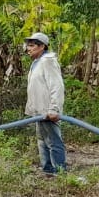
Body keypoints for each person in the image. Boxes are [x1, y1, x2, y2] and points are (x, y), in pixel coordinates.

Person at [24, 32, 67, 176]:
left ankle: (59, 172)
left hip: (48, 110)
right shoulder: (37, 62)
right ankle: (48, 170)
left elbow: (57, 86)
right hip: (39, 111)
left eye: (31, 45)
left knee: (53, 141)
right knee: (42, 141)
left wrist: (54, 108)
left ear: (42, 46)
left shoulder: (48, 61)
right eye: (28, 45)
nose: (28, 48)